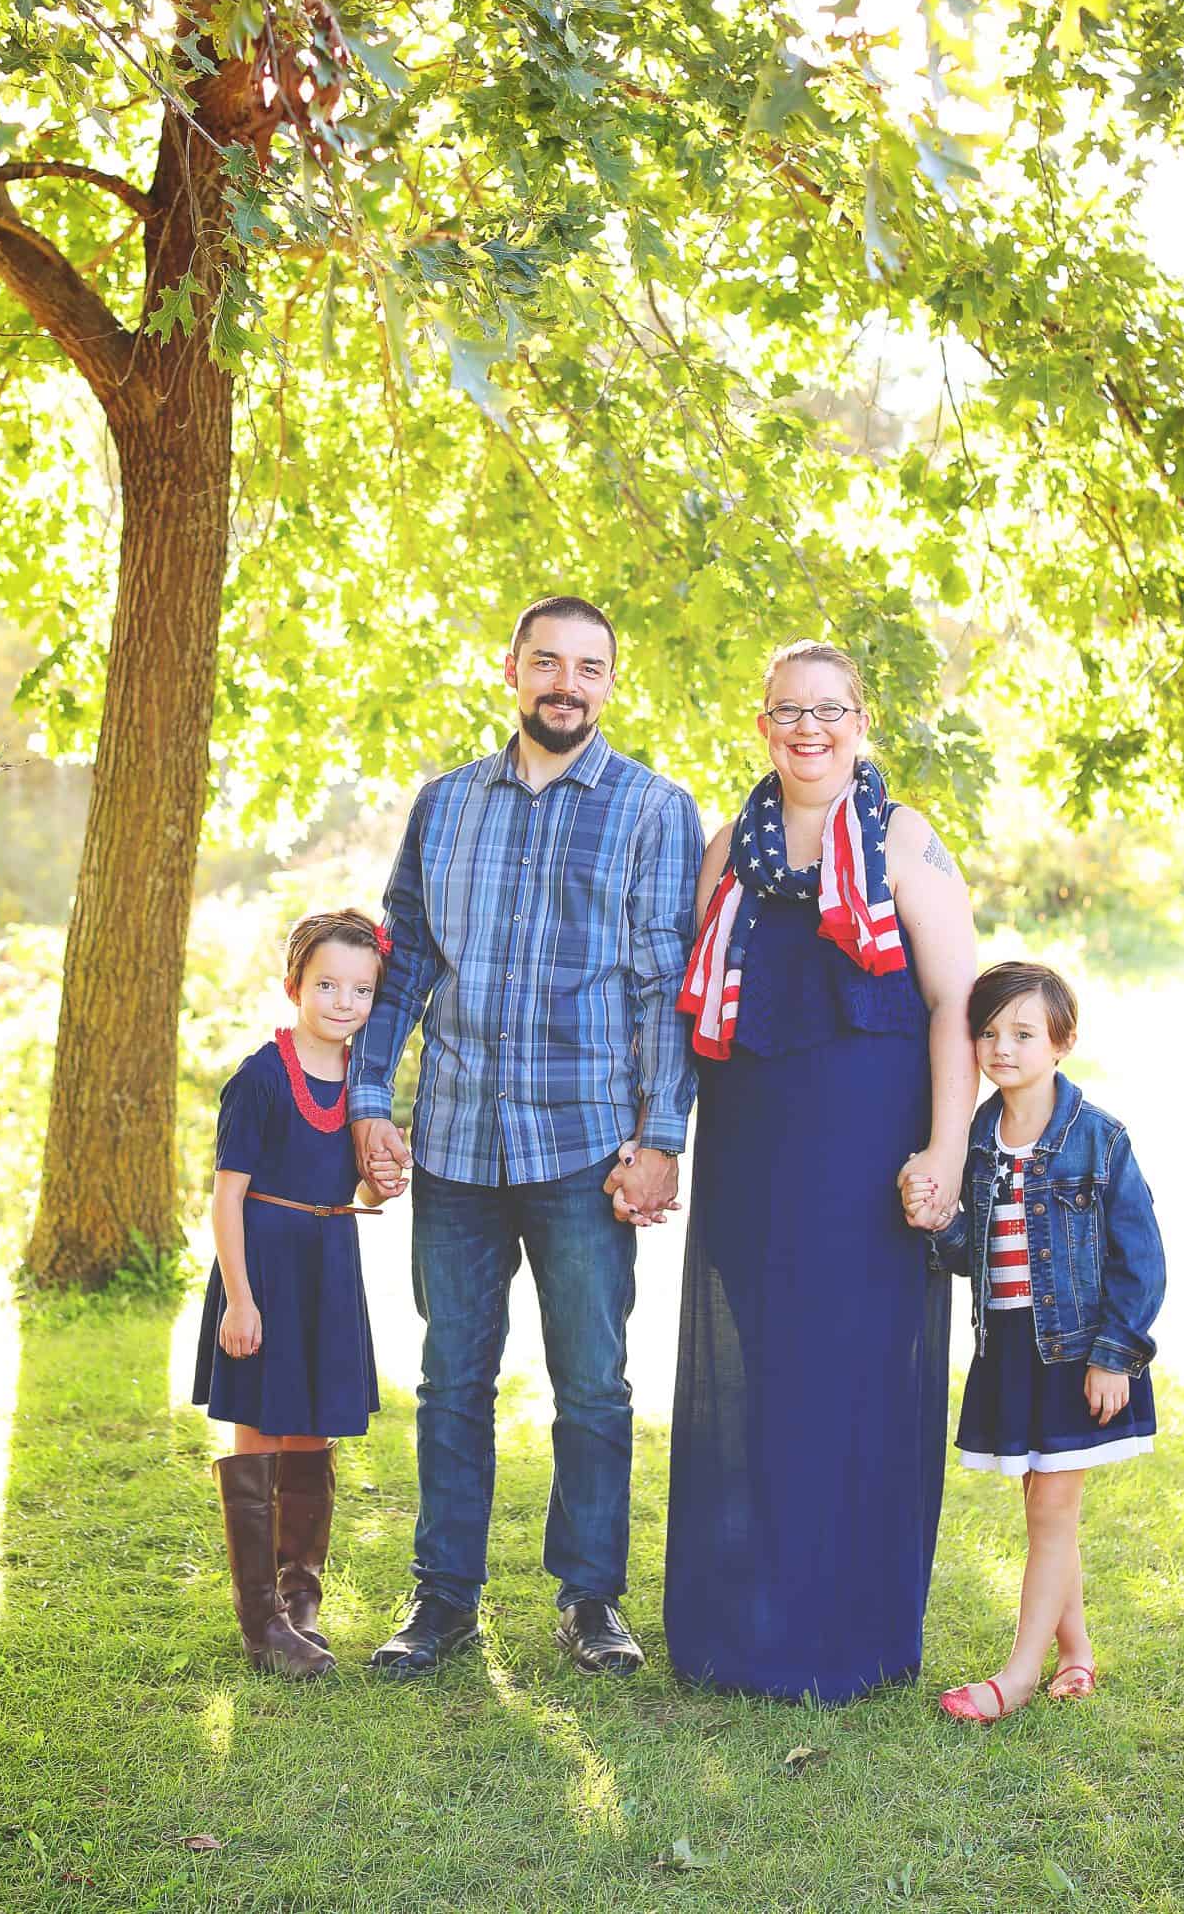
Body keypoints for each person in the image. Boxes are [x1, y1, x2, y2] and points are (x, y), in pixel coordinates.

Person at [351, 596, 704, 1681]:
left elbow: (661, 990)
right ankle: (442, 1599)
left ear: (610, 682)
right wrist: (370, 1098)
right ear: (511, 669)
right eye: (546, 661)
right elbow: (402, 961)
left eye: (588, 667)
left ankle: (591, 1600)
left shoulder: (654, 810)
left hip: (585, 1148)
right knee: (452, 1376)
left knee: (592, 1383)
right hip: (454, 1141)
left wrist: (660, 1135)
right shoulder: (445, 804)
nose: (566, 682)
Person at [664, 640, 978, 1703]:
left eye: (830, 710)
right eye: (789, 711)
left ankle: (848, 1632)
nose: (809, 728)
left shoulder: (905, 843)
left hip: (868, 1161)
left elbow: (956, 1011)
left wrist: (944, 1149)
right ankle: (745, 1627)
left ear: (861, 721)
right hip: (752, 1153)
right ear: (762, 724)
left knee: (853, 1373)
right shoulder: (723, 853)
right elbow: (680, 1015)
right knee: (761, 1371)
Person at [909, 960, 1165, 1723]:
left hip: (1078, 1353)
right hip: (1010, 1350)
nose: (1002, 1048)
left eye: (1023, 1033)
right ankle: (1076, 1652)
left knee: (1052, 1510)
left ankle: (1016, 1677)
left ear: (1063, 1042)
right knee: (1042, 1507)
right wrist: (936, 1218)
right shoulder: (976, 1139)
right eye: (988, 1033)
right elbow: (968, 1254)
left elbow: (1141, 1257)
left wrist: (1116, 1353)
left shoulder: (1100, 1139)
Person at [193, 909, 387, 1678]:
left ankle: (299, 1597)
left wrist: (383, 1177)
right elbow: (226, 1198)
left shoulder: (365, 1080)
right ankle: (260, 1623)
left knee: (315, 1429)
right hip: (266, 1268)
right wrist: (241, 1300)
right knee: (263, 1428)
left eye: (362, 989)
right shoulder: (261, 1077)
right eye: (328, 985)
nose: (344, 1002)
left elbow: (363, 1181)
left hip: (329, 1262)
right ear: (294, 987)